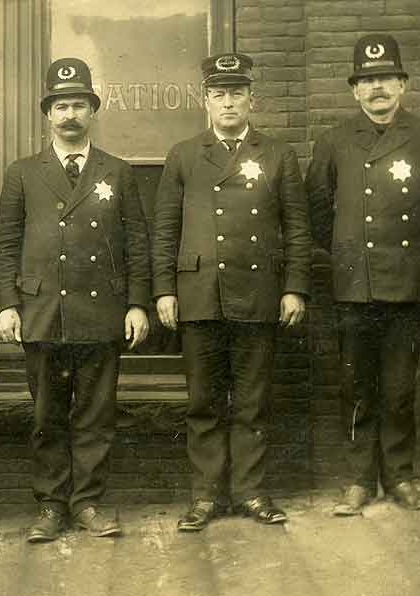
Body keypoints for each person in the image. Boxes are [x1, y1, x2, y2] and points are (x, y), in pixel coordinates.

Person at [306, 34, 420, 516]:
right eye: (367, 79)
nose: (377, 87)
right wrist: (345, 253)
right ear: (354, 90)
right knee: (356, 385)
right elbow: (319, 209)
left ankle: (399, 477)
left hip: (409, 282)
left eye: (385, 78)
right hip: (354, 284)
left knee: (400, 386)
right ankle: (359, 480)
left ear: (403, 84)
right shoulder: (334, 141)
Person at [0, 57, 151, 542]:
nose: (69, 115)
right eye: (61, 106)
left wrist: (138, 303)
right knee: (47, 417)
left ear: (92, 111)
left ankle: (88, 503)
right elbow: (4, 242)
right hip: (41, 314)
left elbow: (137, 243)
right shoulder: (23, 173)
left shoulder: (118, 172)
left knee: (96, 416)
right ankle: (50, 506)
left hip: (101, 312)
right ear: (48, 114)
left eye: (78, 105)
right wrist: (6, 305)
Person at [153, 53, 311, 531]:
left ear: (251, 100)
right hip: (199, 293)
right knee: (202, 401)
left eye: (236, 93)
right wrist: (164, 290)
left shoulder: (277, 154)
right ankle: (205, 495)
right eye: (218, 94)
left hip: (257, 293)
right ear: (206, 101)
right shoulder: (183, 155)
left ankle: (249, 492)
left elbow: (298, 229)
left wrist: (295, 288)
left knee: (251, 401)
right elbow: (165, 229)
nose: (228, 102)